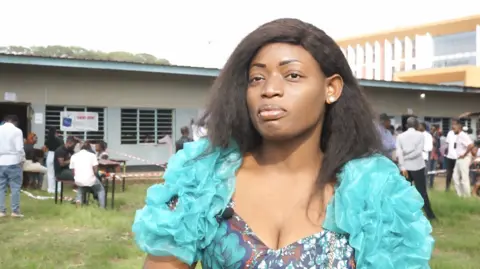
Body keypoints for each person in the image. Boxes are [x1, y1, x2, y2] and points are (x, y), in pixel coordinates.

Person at [133, 19, 433, 269]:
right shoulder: (202, 180)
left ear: (331, 88)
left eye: (292, 75)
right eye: (256, 78)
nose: (270, 90)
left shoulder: (374, 193)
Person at [396, 117, 436, 220]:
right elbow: (418, 152)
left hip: (405, 168)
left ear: (406, 125)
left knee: (404, 192)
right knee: (422, 192)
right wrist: (408, 155)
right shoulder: (420, 135)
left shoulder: (400, 136)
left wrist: (402, 163)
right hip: (418, 166)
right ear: (417, 125)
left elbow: (399, 153)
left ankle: (403, 215)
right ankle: (430, 215)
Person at [0, 115, 25, 218]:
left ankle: (1, 211)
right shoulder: (17, 131)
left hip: (1, 161)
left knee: (1, 187)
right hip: (13, 161)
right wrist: (22, 160)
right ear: (14, 122)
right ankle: (15, 211)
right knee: (15, 187)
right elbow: (19, 148)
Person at [69, 142, 106, 208]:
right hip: (90, 179)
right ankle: (102, 207)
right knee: (100, 190)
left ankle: (78, 206)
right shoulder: (92, 155)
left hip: (78, 180)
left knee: (80, 190)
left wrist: (77, 177)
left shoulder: (73, 156)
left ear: (80, 149)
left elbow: (73, 171)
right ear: (89, 148)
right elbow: (95, 170)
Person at [451, 120, 474, 197]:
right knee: (455, 177)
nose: (452, 127)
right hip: (459, 159)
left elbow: (471, 145)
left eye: (454, 125)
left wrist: (464, 154)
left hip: (464, 159)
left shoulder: (463, 135)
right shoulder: (458, 135)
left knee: (464, 178)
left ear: (459, 126)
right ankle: (460, 195)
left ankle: (467, 197)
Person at [45, 127, 64, 193]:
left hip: (50, 154)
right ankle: (58, 189)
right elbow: (62, 146)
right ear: (56, 132)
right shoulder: (59, 140)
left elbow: (46, 146)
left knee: (50, 173)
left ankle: (51, 189)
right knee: (58, 173)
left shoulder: (48, 140)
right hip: (58, 155)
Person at [444, 121, 458, 191]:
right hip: (450, 156)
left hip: (457, 157)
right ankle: (447, 188)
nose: (453, 126)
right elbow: (447, 143)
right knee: (449, 173)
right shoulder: (450, 133)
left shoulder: (461, 134)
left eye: (454, 124)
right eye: (452, 124)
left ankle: (457, 189)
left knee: (457, 174)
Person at [428, 124, 441, 189]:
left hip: (435, 155)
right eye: (431, 129)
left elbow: (438, 146)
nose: (432, 131)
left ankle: (431, 184)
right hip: (429, 155)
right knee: (428, 170)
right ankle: (427, 183)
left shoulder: (437, 137)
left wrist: (435, 142)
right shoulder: (428, 136)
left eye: (433, 129)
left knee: (433, 170)